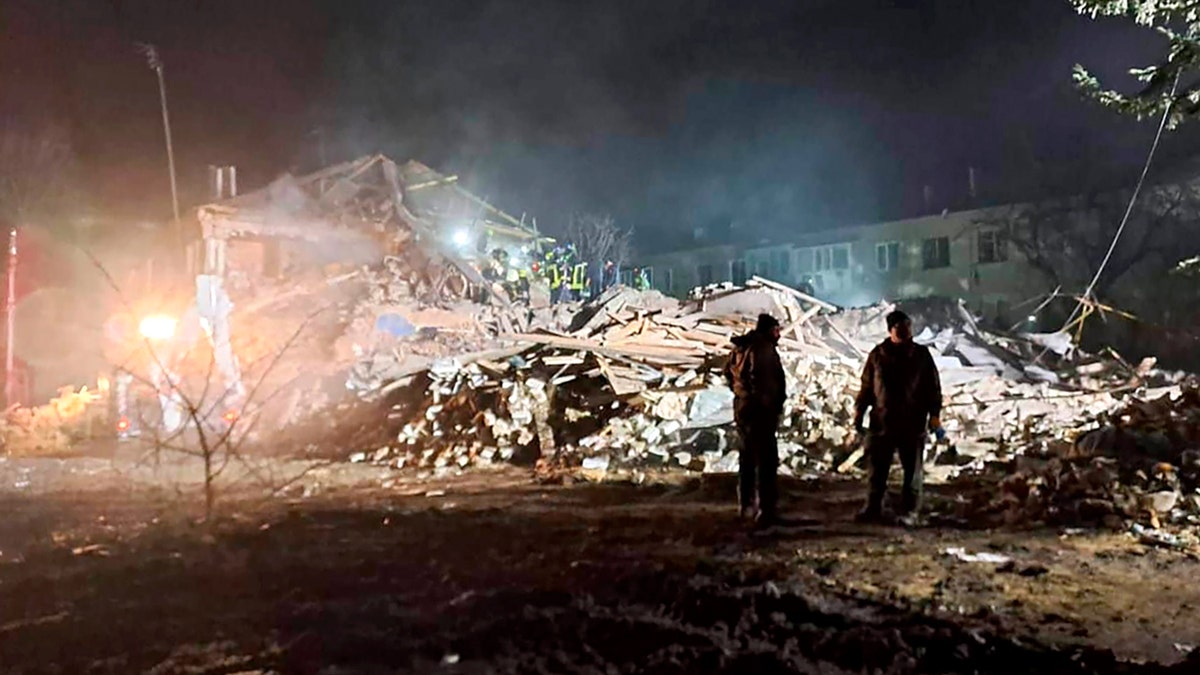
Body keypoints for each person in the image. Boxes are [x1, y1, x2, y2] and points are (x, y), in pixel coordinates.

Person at [852, 310, 943, 522]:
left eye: (908, 326)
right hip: (883, 421)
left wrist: (935, 416)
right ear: (890, 330)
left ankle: (909, 510)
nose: (905, 330)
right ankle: (873, 508)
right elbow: (866, 387)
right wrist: (859, 413)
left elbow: (933, 388)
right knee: (878, 469)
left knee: (912, 471)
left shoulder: (921, 355)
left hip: (913, 421)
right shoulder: (878, 355)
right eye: (900, 327)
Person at [723, 313, 787, 524]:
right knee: (767, 461)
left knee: (747, 459)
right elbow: (767, 383)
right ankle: (767, 510)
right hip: (761, 412)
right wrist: (771, 406)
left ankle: (746, 505)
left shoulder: (741, 348)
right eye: (776, 330)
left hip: (743, 409)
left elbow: (727, 374)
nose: (779, 334)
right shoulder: (763, 350)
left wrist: (741, 394)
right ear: (768, 330)